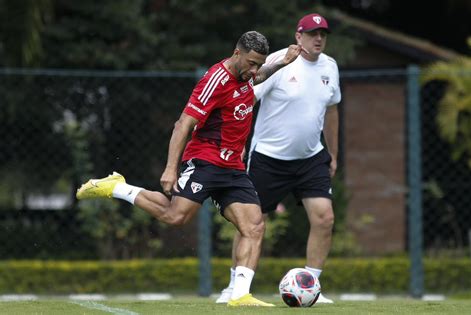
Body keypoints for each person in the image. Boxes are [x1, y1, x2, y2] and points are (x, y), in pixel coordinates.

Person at [76, 31, 304, 307]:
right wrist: (171, 169)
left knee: (254, 225)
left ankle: (240, 295)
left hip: (232, 167)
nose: (254, 70)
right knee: (175, 217)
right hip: (205, 160)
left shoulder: (246, 75)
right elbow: (183, 124)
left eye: (259, 63)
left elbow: (259, 75)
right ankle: (118, 187)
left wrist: (282, 63)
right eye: (252, 63)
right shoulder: (215, 80)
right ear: (236, 54)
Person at [215, 13, 341, 304]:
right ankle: (234, 286)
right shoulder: (278, 62)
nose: (318, 38)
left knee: (325, 217)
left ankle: (312, 285)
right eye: (312, 33)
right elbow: (245, 99)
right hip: (268, 158)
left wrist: (333, 153)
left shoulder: (330, 67)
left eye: (322, 34)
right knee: (252, 222)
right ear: (299, 36)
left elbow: (332, 110)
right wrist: (238, 143)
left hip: (311, 158)